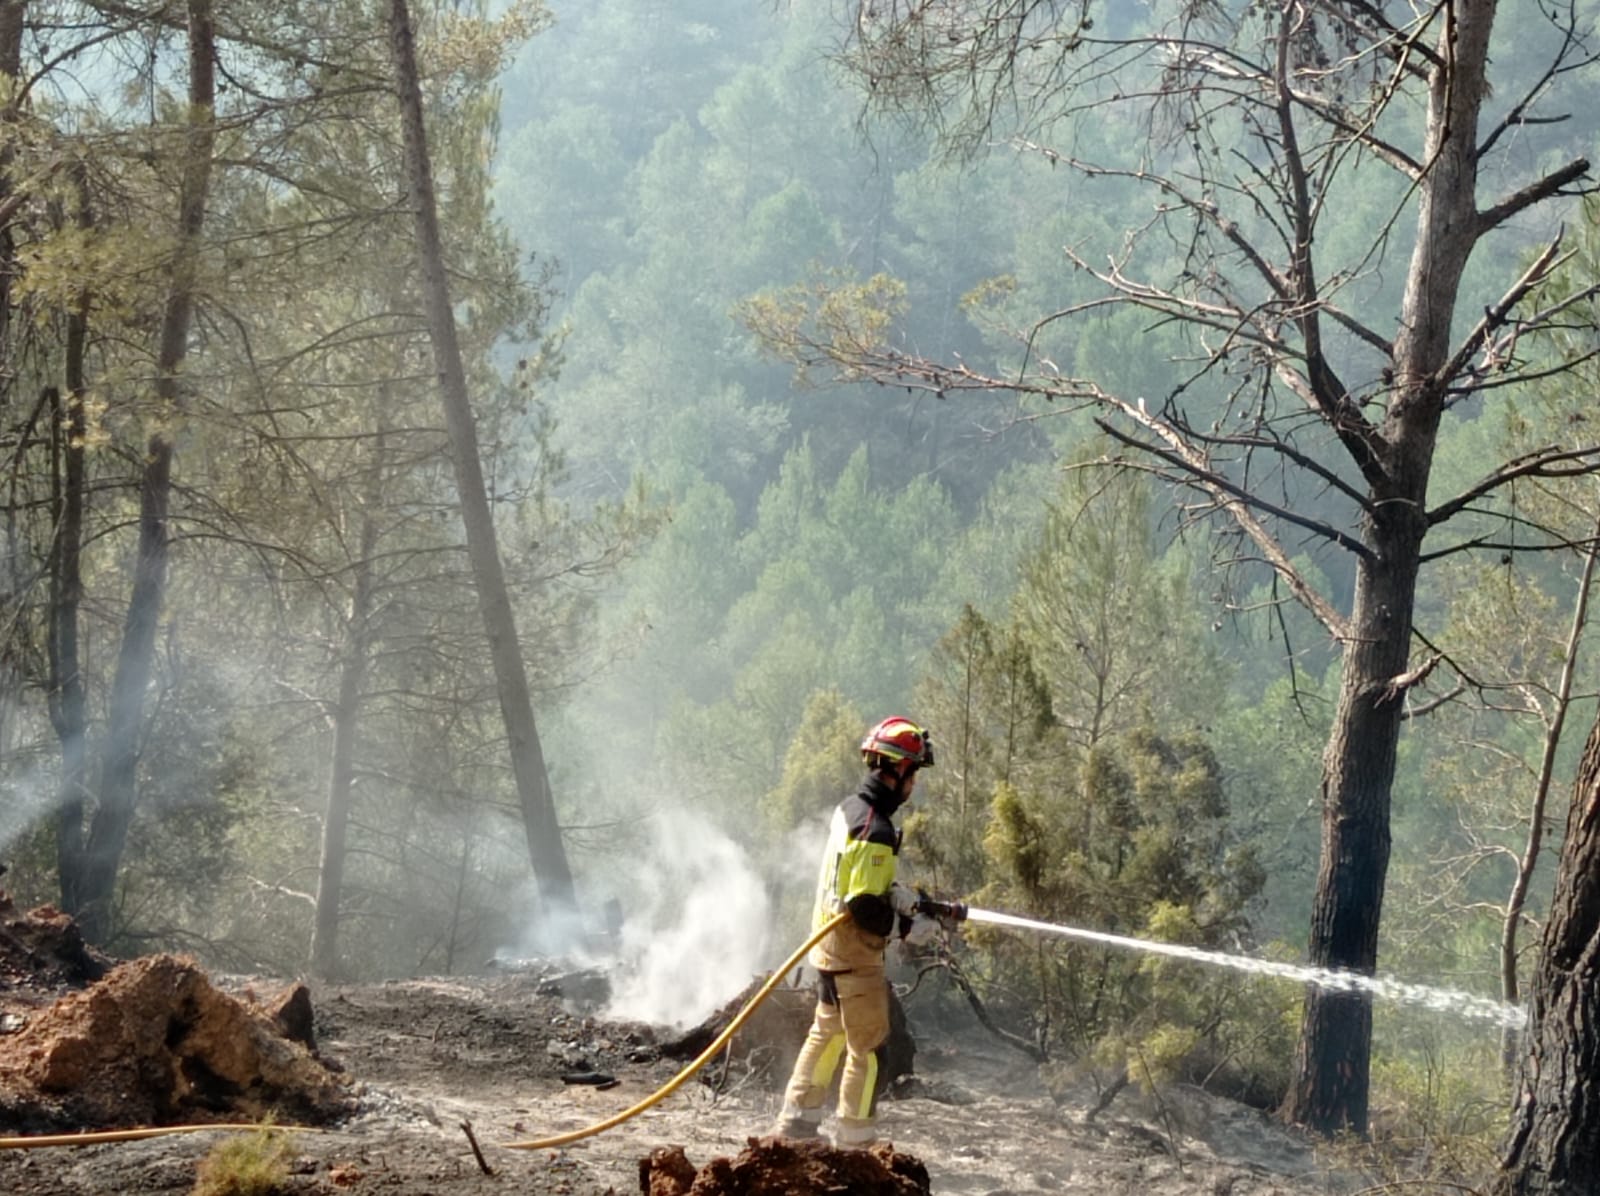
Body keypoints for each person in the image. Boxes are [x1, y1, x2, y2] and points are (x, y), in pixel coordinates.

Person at [772, 715, 946, 1148]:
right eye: (915, 773)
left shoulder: (850, 810)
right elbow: (863, 907)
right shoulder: (877, 831)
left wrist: (894, 891)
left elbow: (852, 881)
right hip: (855, 953)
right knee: (868, 1049)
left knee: (826, 1032)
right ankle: (856, 1142)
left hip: (829, 947)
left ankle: (796, 1126)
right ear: (899, 770)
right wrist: (907, 927)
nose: (914, 785)